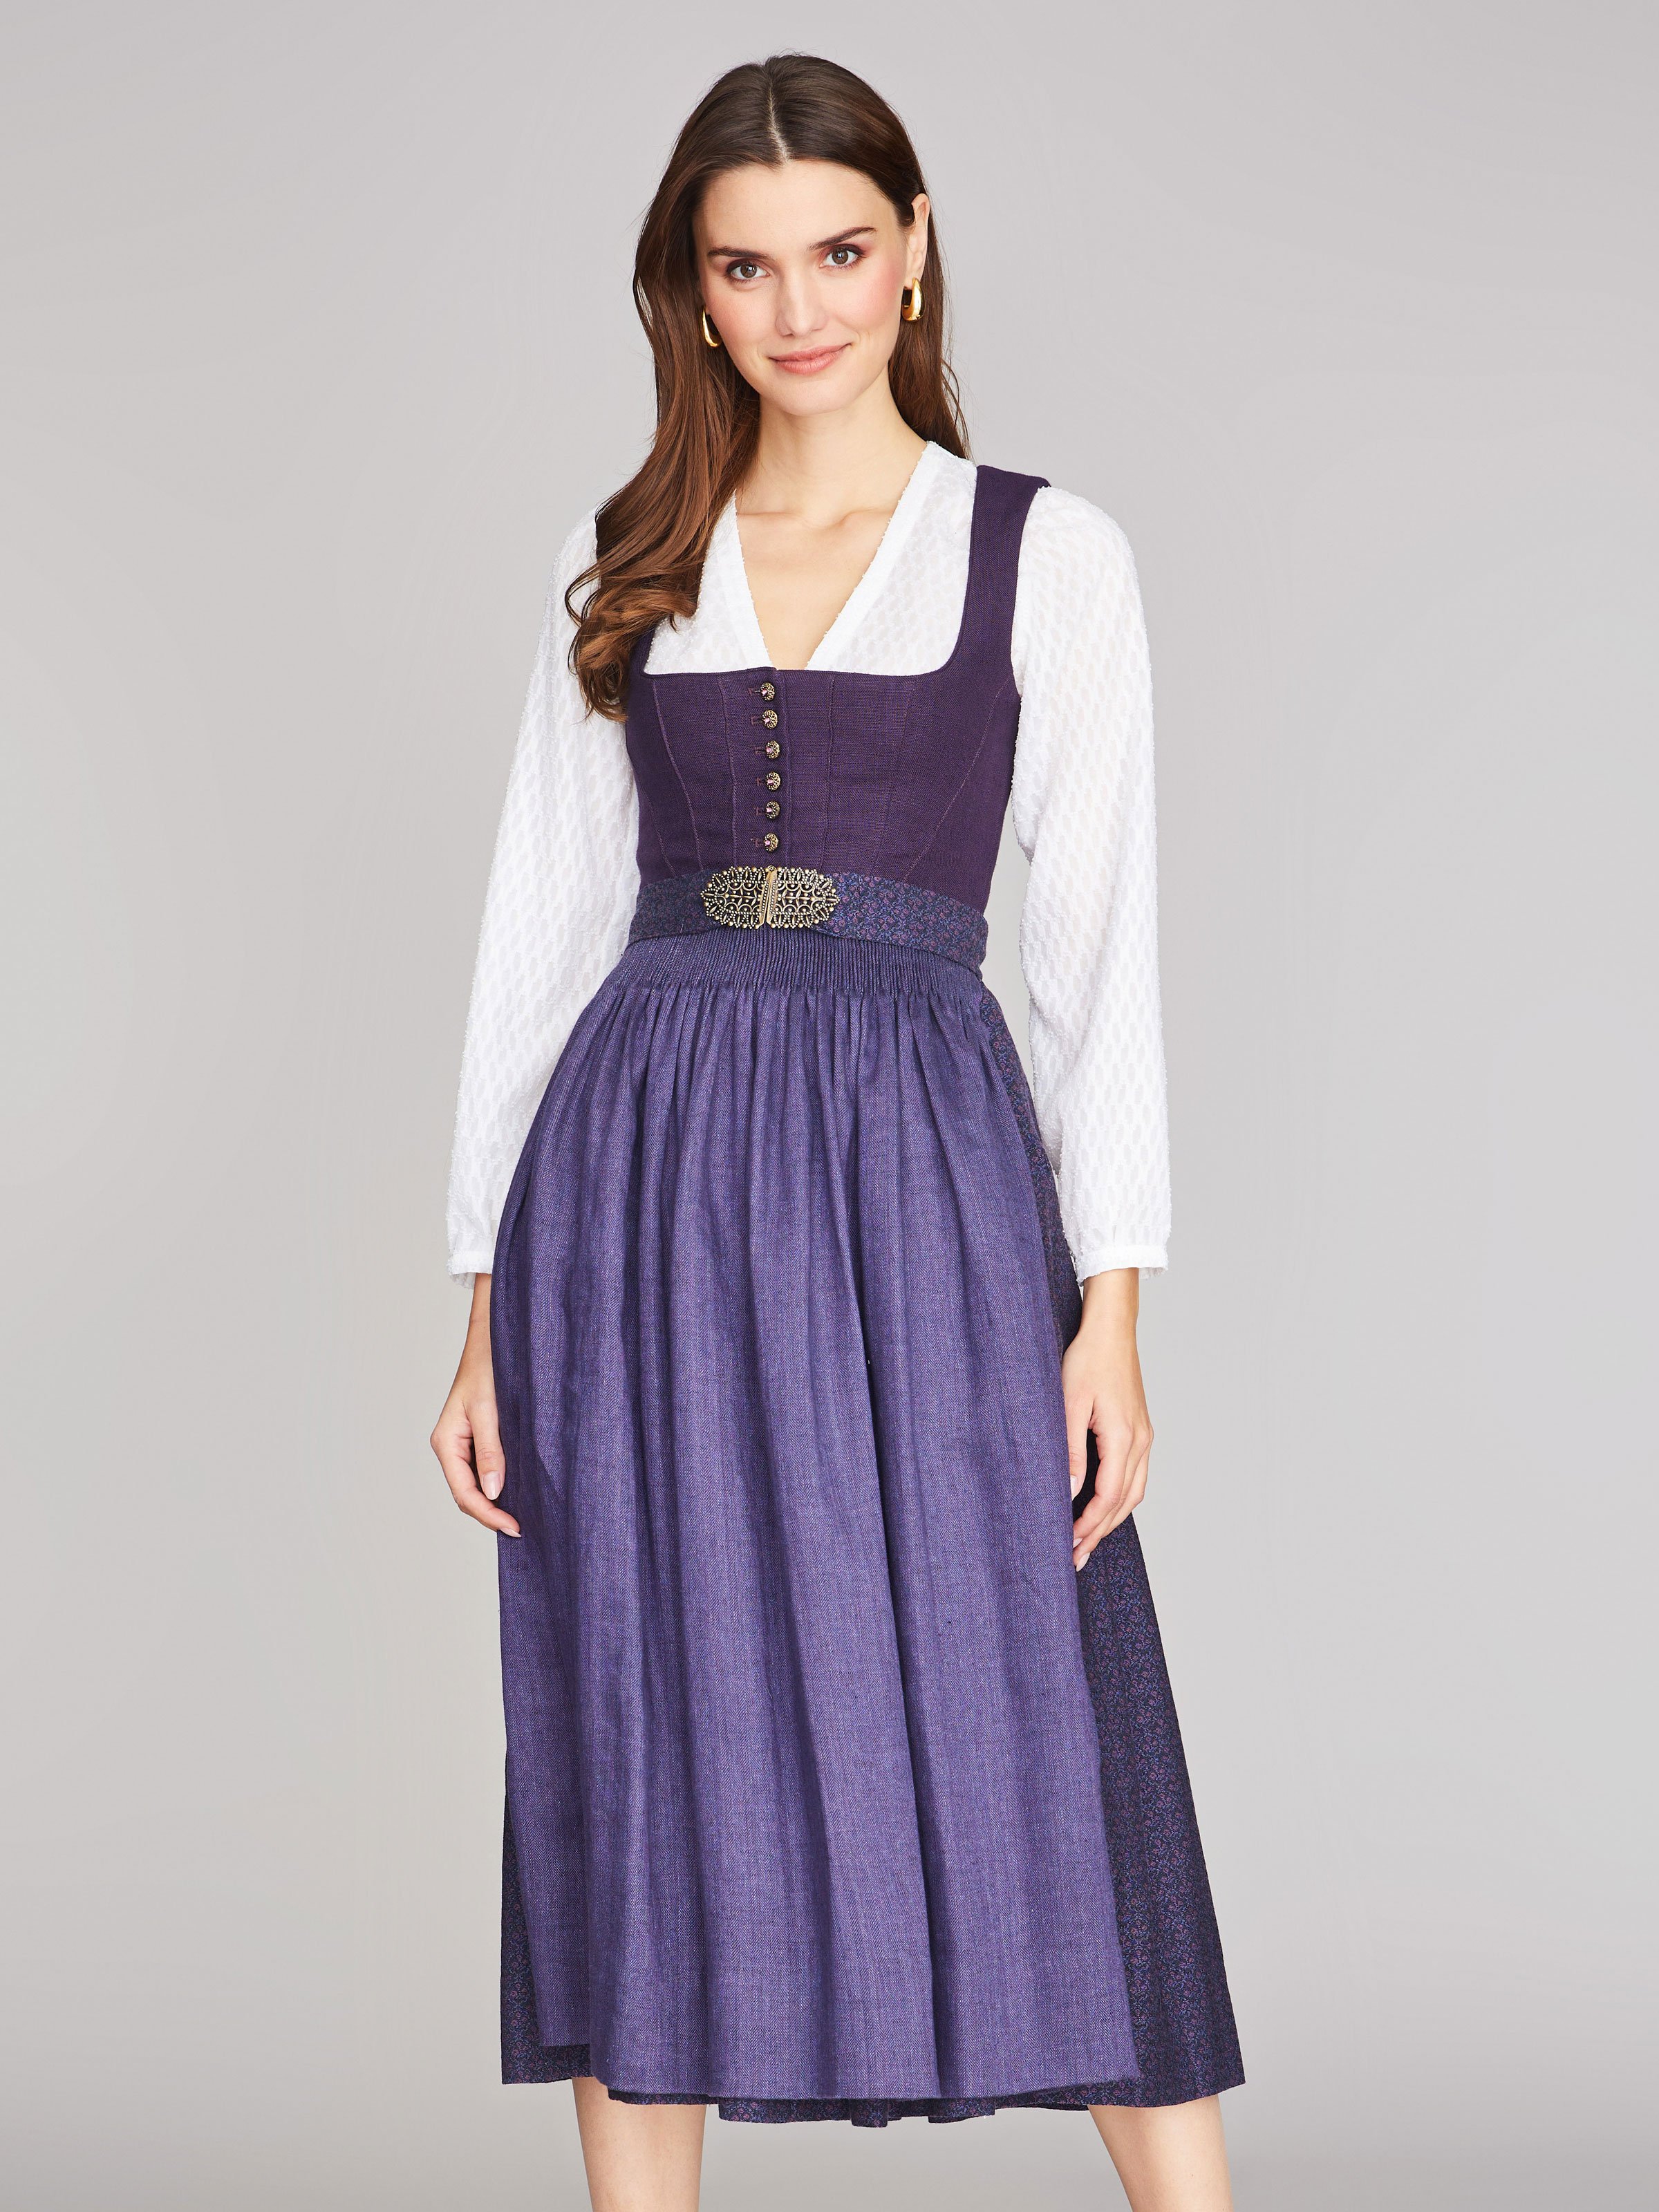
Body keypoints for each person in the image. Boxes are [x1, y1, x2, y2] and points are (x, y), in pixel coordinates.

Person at [432, 52, 1243, 2212]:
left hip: (928, 1183)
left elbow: (1097, 948)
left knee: (1044, 1703)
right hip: (639, 1191)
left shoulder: (1047, 556)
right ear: (692, 295)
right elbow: (536, 940)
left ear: (912, 257)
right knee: (645, 1705)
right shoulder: (626, 558)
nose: (798, 309)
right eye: (746, 268)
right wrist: (487, 1305)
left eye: (839, 252)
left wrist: (1115, 1307)